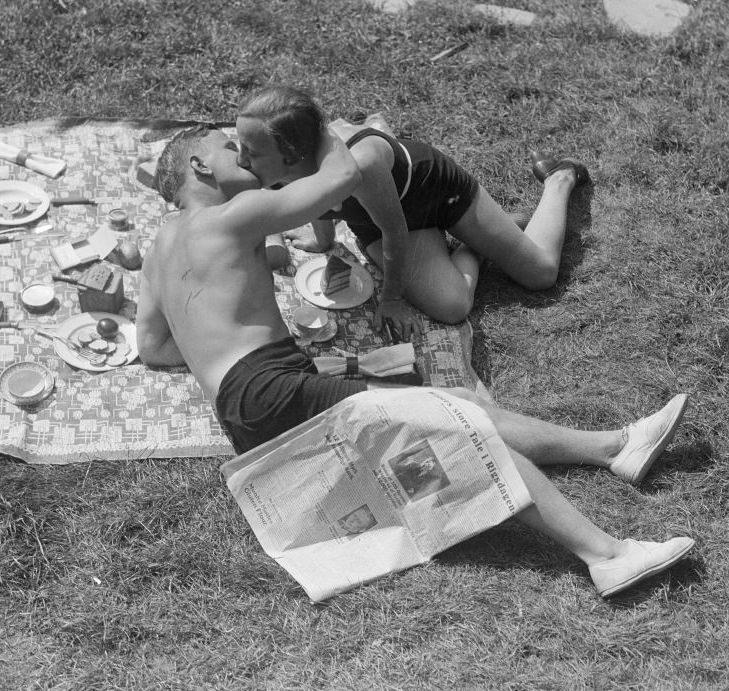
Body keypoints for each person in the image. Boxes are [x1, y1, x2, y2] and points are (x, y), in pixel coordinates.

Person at [137, 123, 695, 598]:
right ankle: (607, 555)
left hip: (244, 411)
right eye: (231, 148)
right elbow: (341, 178)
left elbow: (154, 346)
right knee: (456, 427)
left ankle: (616, 448)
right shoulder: (237, 215)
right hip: (272, 388)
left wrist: (220, 337)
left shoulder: (163, 245)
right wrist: (322, 128)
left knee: (450, 406)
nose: (246, 155)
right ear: (199, 166)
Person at [235, 85, 590, 335]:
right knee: (452, 307)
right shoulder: (277, 169)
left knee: (541, 274)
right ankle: (476, 247)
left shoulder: (362, 162)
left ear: (294, 153)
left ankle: (559, 177)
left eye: (251, 151)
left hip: (435, 194)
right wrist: (322, 240)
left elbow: (395, 233)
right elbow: (314, 199)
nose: (240, 160)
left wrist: (391, 300)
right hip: (380, 219)